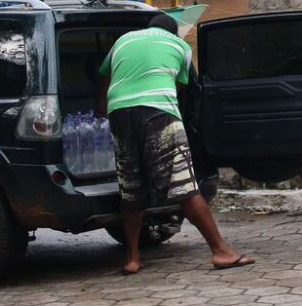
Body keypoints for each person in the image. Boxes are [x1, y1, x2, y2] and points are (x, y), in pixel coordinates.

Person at [98, 14, 253, 275]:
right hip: (158, 113)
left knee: (131, 188)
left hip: (120, 114)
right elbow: (180, 88)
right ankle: (221, 252)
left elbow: (105, 77)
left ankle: (133, 259)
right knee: (185, 186)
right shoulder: (180, 46)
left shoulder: (122, 41)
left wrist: (102, 110)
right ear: (173, 33)